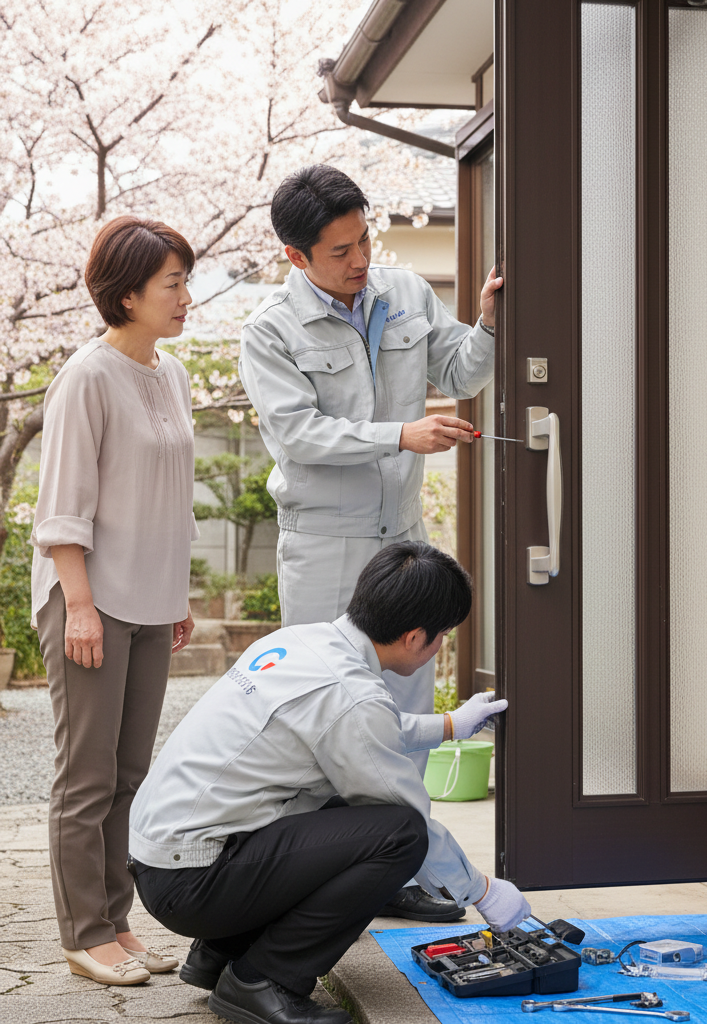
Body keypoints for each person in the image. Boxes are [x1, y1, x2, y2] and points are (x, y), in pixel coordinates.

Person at [238, 164, 501, 922]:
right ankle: (311, 872)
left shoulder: (406, 293)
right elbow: (298, 436)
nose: (359, 261)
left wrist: (486, 322)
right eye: (339, 251)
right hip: (324, 546)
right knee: (323, 713)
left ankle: (401, 871)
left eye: (363, 240)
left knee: (404, 708)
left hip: (402, 538)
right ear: (295, 257)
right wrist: (402, 434)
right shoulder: (271, 331)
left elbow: (462, 370)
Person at [128, 542, 530, 1024]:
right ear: (413, 636)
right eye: (443, 635)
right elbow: (401, 803)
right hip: (193, 881)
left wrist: (450, 724)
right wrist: (483, 891)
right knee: (399, 834)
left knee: (345, 813)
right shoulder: (350, 697)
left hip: (165, 856)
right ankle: (264, 980)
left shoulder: (303, 643)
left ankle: (220, 952)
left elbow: (363, 728)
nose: (441, 645)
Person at [30, 216, 200, 986]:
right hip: (90, 599)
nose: (186, 297)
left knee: (132, 772)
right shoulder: (87, 377)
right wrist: (82, 606)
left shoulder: (172, 373)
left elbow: (171, 498)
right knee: (87, 775)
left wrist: (178, 593)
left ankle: (117, 921)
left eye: (184, 282)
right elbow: (62, 506)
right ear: (127, 294)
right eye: (173, 284)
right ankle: (83, 931)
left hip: (151, 599)